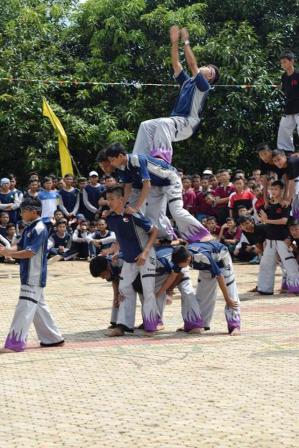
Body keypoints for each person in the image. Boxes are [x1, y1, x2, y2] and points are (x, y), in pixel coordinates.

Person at [132, 26, 219, 164]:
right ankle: (138, 160)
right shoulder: (187, 82)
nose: (206, 68)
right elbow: (176, 64)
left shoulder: (203, 86)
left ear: (210, 77)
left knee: (163, 123)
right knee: (145, 125)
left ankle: (162, 160)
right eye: (207, 66)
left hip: (188, 123)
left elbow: (191, 64)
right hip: (176, 122)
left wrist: (186, 41)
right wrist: (174, 43)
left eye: (210, 70)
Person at [106, 143, 212, 243]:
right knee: (153, 215)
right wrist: (122, 206)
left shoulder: (136, 159)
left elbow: (146, 185)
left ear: (120, 156)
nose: (111, 163)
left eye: (112, 160)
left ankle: (203, 234)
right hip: (156, 186)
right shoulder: (123, 168)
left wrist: (136, 207)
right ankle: (169, 236)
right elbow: (128, 188)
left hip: (171, 180)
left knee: (176, 211)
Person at [0, 197, 64, 353]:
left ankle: (15, 344)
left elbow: (30, 252)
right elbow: (20, 246)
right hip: (29, 274)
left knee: (25, 307)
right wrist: (6, 251)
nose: (21, 213)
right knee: (37, 307)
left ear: (34, 212)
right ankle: (53, 338)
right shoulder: (30, 227)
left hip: (33, 276)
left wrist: (10, 254)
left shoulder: (39, 228)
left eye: (24, 210)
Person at [105, 185, 160, 335]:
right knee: (124, 290)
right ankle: (123, 326)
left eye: (111, 199)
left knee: (148, 292)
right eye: (107, 199)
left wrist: (145, 252)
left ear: (121, 199)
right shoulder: (111, 218)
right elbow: (119, 236)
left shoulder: (133, 214)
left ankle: (151, 325)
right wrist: (117, 250)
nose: (108, 202)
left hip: (145, 257)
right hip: (128, 259)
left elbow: (155, 230)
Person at [171, 243, 241, 335]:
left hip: (222, 259)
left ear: (188, 260)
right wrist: (168, 290)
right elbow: (174, 275)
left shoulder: (203, 256)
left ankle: (235, 326)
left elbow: (219, 276)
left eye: (180, 265)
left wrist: (227, 299)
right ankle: (200, 325)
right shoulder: (181, 256)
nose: (178, 266)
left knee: (231, 292)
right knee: (202, 294)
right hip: (206, 265)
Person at [257, 180, 299, 294]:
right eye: (272, 189)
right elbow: (261, 218)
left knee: (289, 263)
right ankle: (264, 288)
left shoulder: (285, 204)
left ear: (281, 190)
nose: (273, 191)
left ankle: (296, 286)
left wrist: (267, 220)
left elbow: (284, 221)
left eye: (276, 189)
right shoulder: (268, 205)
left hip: (283, 238)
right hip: (270, 239)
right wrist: (264, 220)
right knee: (266, 264)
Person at [277, 51, 299, 152]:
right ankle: (286, 152)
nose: (283, 65)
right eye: (281, 63)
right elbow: (286, 91)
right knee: (284, 129)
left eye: (284, 62)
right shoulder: (284, 77)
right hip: (289, 106)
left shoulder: (298, 74)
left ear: (292, 61)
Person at [272, 148, 299, 218]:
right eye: (275, 161)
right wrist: (286, 199)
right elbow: (289, 183)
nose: (277, 162)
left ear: (284, 157)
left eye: (279, 159)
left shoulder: (291, 162)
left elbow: (292, 184)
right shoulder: (284, 167)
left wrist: (288, 201)